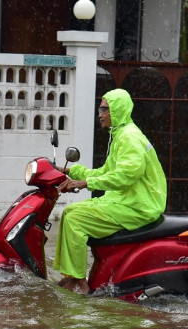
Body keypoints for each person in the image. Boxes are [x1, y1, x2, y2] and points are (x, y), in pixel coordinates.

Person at [54, 88, 168, 293]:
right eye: (100, 109)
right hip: (125, 200)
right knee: (69, 212)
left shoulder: (130, 138)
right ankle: (72, 274)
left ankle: (80, 281)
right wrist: (71, 171)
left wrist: (83, 184)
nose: (100, 114)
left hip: (138, 205)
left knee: (75, 218)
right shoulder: (121, 135)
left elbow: (125, 176)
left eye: (104, 109)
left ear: (118, 109)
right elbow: (105, 172)